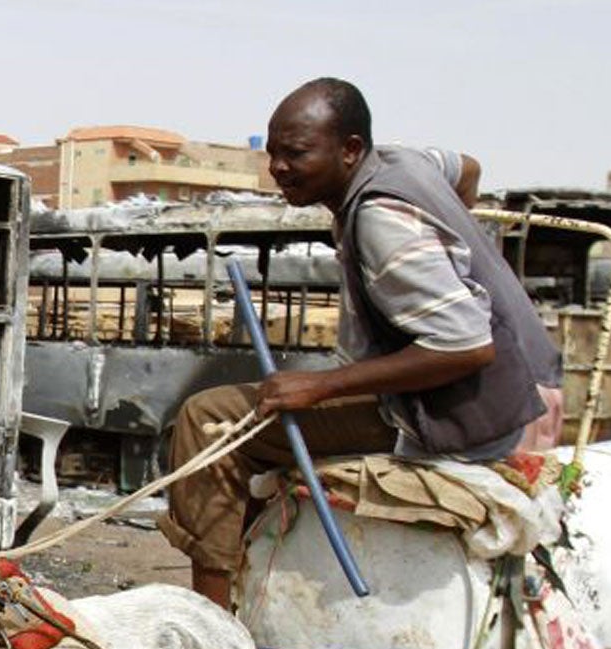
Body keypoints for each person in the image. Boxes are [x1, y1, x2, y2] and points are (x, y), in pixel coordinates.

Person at [159, 77, 563, 610]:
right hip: (525, 387)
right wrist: (460, 238)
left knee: (206, 418)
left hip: (464, 411)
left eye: (296, 153)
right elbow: (468, 167)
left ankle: (211, 622)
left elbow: (466, 347)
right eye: (273, 153)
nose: (278, 168)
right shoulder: (407, 161)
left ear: (350, 150)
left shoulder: (379, 220)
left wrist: (321, 385)